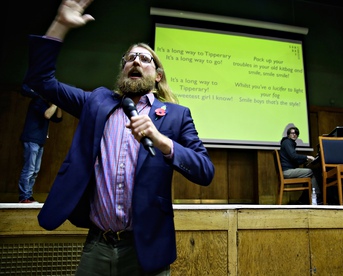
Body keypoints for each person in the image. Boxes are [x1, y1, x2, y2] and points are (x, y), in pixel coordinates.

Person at [23, 0, 215, 275]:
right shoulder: (96, 102)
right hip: (97, 246)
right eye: (130, 58)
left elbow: (205, 171)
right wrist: (61, 24)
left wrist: (162, 142)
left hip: (145, 249)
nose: (135, 60)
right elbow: (40, 80)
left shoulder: (176, 115)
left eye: (144, 58)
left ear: (158, 76)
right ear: (123, 69)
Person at [18, 84, 62, 203]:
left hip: (39, 141)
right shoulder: (37, 101)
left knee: (35, 170)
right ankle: (24, 197)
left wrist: (59, 104)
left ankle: (28, 195)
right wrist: (55, 102)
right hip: (31, 140)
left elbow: (58, 118)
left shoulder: (46, 105)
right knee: (29, 169)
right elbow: (47, 115)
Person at [280, 126, 320, 204]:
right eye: (292, 133)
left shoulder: (289, 143)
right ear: (288, 134)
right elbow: (293, 156)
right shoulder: (287, 142)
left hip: (288, 170)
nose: (294, 135)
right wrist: (307, 157)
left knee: (308, 173)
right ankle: (316, 197)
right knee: (311, 172)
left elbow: (294, 160)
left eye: (296, 133)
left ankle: (305, 199)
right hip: (287, 172)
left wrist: (305, 160)